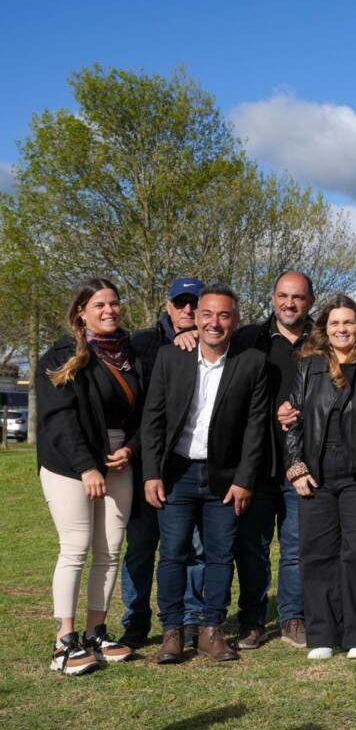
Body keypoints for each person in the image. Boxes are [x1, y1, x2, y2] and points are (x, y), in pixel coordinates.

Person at [141, 284, 269, 664]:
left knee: (220, 555)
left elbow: (256, 427)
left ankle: (211, 629)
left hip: (224, 478)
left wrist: (244, 479)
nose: (215, 322)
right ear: (196, 319)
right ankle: (172, 631)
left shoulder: (252, 363)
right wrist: (151, 473)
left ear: (236, 321)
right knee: (172, 554)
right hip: (176, 474)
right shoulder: (171, 357)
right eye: (208, 314)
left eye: (224, 315)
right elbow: (153, 420)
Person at [284, 294, 356, 660]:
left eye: (348, 322)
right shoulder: (308, 366)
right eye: (334, 323)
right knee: (316, 554)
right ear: (324, 328)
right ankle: (322, 633)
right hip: (316, 478)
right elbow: (293, 422)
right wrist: (296, 467)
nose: (341, 329)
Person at [36, 279, 141, 674]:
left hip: (119, 460)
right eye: (100, 304)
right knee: (76, 547)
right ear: (81, 311)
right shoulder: (60, 355)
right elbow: (59, 419)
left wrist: (130, 448)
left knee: (110, 549)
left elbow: (145, 411)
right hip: (70, 463)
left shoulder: (131, 354)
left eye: (114, 303)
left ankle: (96, 632)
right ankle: (63, 643)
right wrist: (86, 466)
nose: (110, 310)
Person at [119, 277, 206, 650]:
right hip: (144, 461)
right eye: (180, 302)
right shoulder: (140, 343)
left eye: (194, 303)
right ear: (168, 306)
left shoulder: (213, 344)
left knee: (193, 548)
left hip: (188, 467)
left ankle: (190, 619)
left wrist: (198, 339)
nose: (187, 309)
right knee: (141, 546)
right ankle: (136, 619)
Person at [232, 271, 315, 649]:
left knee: (297, 547)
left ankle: (293, 617)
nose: (289, 303)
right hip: (257, 462)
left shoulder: (324, 339)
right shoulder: (248, 338)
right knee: (253, 548)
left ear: (310, 301)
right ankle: (251, 620)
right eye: (283, 296)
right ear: (272, 297)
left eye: (297, 297)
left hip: (304, 465)